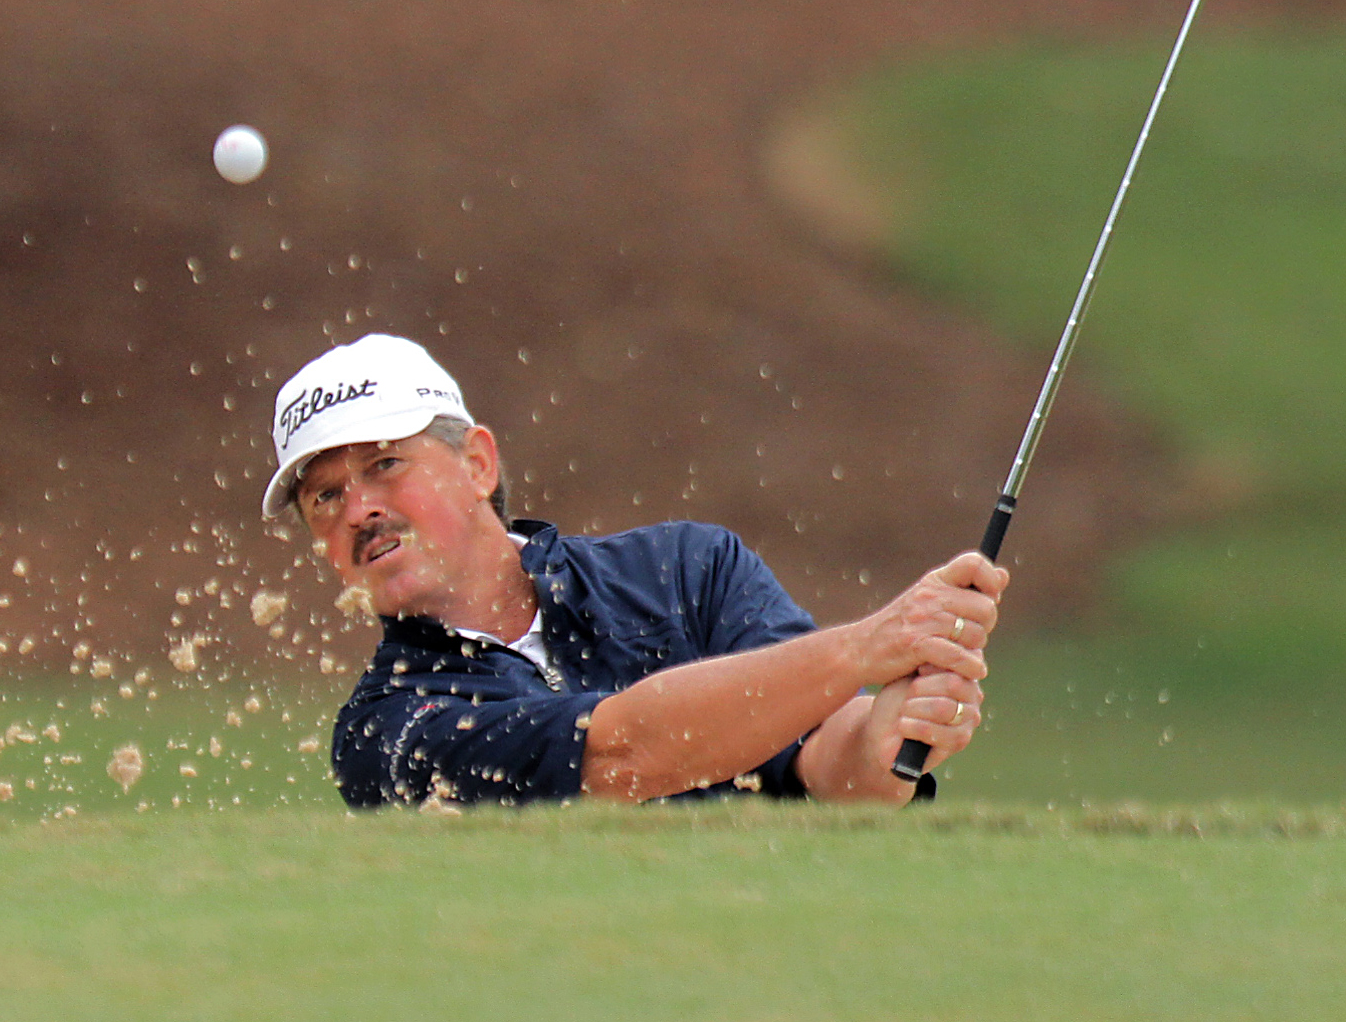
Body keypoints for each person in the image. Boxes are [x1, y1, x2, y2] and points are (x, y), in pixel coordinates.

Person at [261, 334, 1005, 807]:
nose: (358, 510)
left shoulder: (686, 570)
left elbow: (823, 761)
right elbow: (619, 755)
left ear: (478, 463)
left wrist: (885, 736)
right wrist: (864, 649)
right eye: (326, 498)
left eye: (385, 465)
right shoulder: (387, 727)